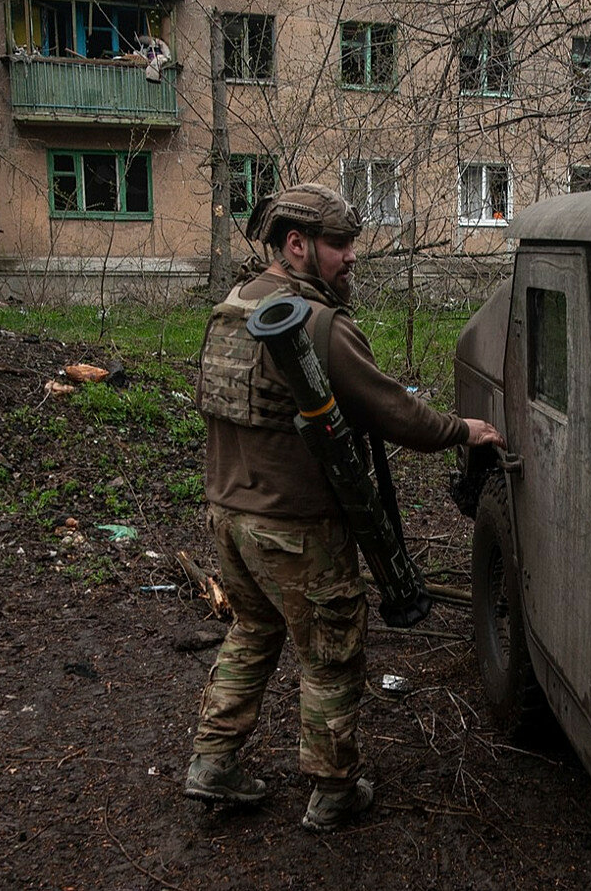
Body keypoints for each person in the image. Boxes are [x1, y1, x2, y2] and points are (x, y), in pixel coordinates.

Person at [184, 182, 503, 832]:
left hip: (228, 514)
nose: (351, 256)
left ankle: (212, 763)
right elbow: (391, 411)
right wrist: (461, 430)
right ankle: (332, 789)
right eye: (338, 244)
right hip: (294, 525)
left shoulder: (235, 304)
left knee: (252, 631)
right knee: (331, 652)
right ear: (296, 246)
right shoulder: (315, 323)